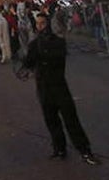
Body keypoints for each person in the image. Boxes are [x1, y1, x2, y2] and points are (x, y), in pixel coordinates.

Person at [19, 11, 100, 165]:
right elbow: (28, 64)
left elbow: (58, 58)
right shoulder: (34, 44)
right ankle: (59, 148)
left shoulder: (58, 42)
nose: (40, 26)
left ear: (48, 24)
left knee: (71, 119)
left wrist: (40, 51)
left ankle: (84, 150)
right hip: (43, 86)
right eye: (38, 24)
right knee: (51, 120)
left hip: (59, 85)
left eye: (42, 23)